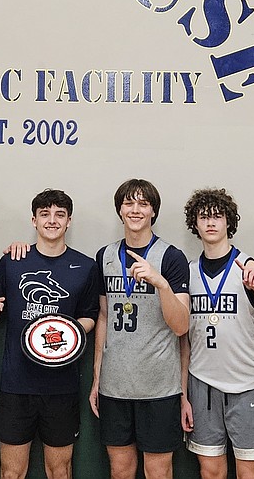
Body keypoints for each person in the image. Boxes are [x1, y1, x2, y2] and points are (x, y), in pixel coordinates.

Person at [0, 188, 100, 479]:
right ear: (34, 220)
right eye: (45, 214)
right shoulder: (13, 261)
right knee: (11, 472)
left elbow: (90, 317)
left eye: (60, 214)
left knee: (60, 470)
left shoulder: (86, 266)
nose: (52, 220)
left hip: (62, 386)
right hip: (16, 385)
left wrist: (67, 330)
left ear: (69, 221)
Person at [181, 188, 254, 479]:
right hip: (203, 383)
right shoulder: (188, 272)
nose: (210, 222)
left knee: (248, 473)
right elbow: (183, 338)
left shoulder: (248, 268)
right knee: (210, 471)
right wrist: (183, 393)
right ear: (194, 223)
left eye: (217, 216)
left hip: (246, 385)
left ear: (229, 222)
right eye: (203, 216)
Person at [90, 179, 190, 479]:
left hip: (158, 388)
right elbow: (104, 318)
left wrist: (161, 284)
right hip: (115, 386)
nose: (135, 210)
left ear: (153, 212)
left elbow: (181, 325)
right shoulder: (104, 256)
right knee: (120, 470)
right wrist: (97, 378)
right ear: (120, 210)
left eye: (143, 204)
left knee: (158, 472)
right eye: (129, 203)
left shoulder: (171, 257)